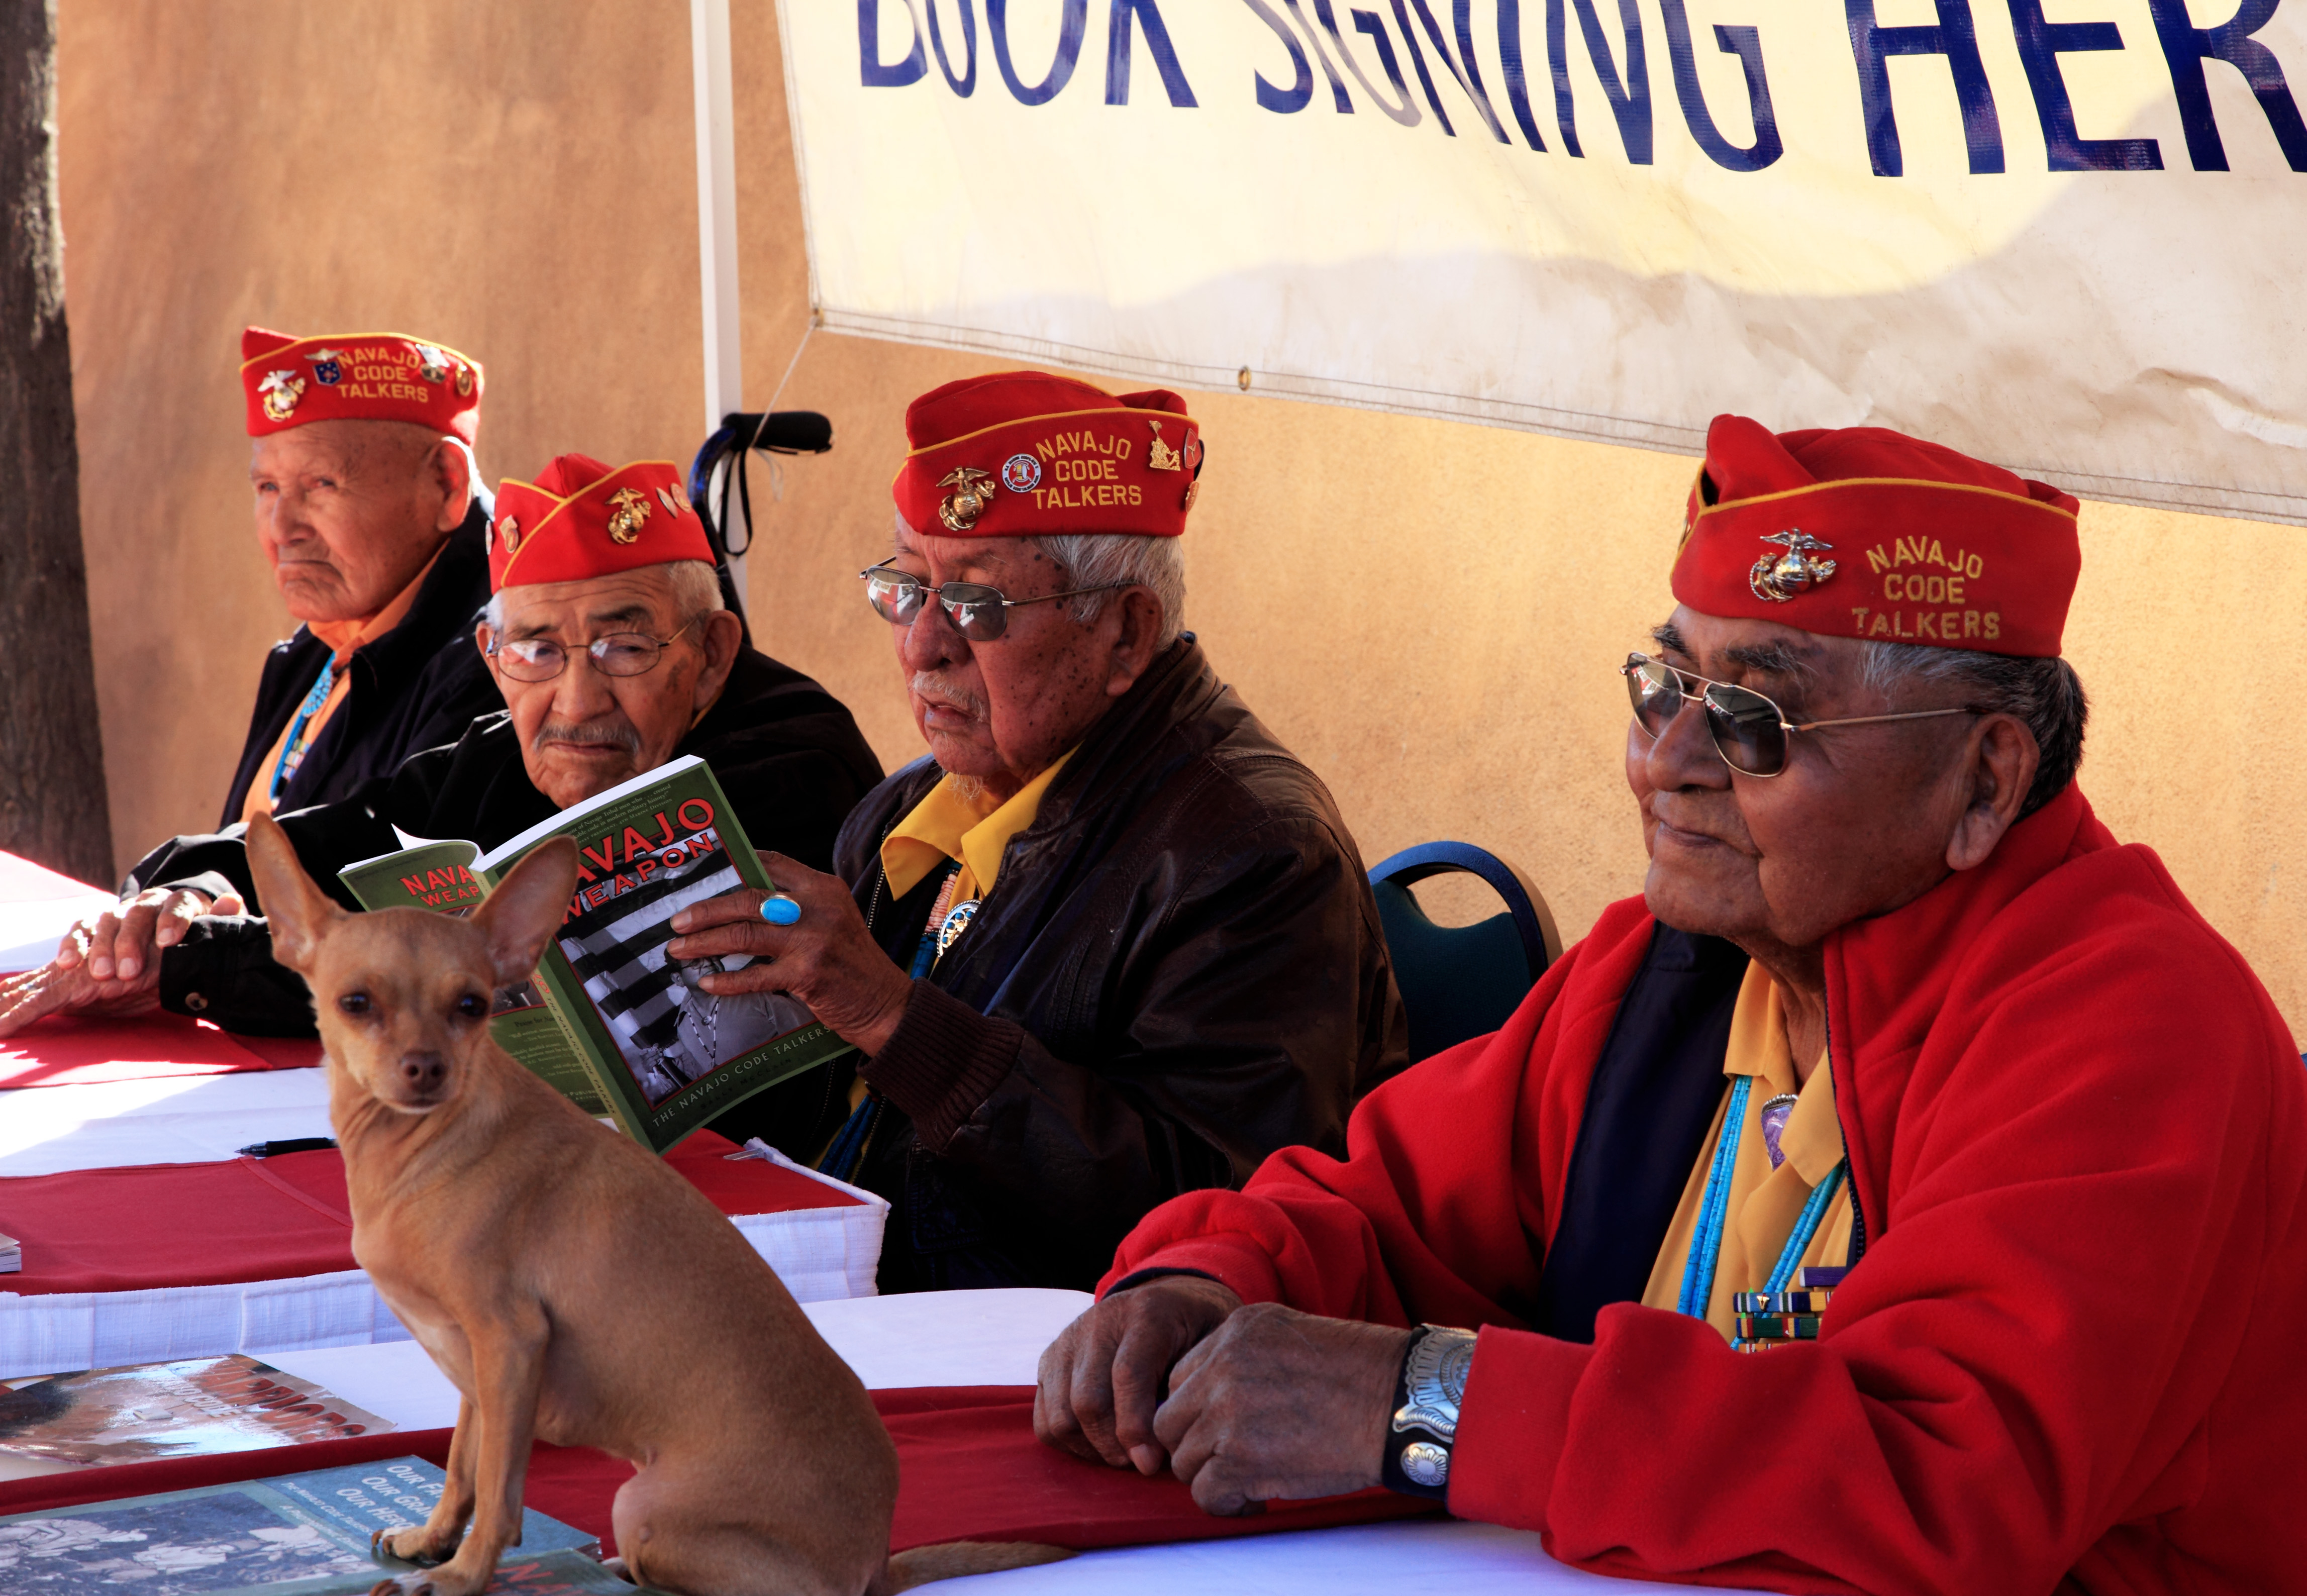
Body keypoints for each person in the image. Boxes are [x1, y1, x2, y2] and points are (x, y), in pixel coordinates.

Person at [1033, 416, 2307, 1596]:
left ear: (1985, 784)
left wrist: (1425, 1404)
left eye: (1754, 718)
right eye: (1664, 686)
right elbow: (1377, 1211)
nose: (1665, 764)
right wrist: (1200, 1281)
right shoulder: (1672, 967)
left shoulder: (2129, 1022)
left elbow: (1946, 1485)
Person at [670, 370, 1409, 1293]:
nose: (920, 646)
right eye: (907, 587)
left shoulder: (1251, 853)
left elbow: (1223, 1221)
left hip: (1056, 1369)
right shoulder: (905, 814)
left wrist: (898, 1020)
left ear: (1126, 635)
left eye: (976, 606)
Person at [0, 454, 882, 1040]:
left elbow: (510, 984)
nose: (576, 700)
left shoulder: (789, 764)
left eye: (625, 646)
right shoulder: (501, 750)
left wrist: (189, 967)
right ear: (493, 659)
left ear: (713, 651)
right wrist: (180, 902)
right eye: (537, 650)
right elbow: (309, 844)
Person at [226, 326, 508, 826]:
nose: (282, 528)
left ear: (446, 484)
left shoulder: (503, 655)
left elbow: (379, 862)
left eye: (320, 484)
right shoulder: (315, 647)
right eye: (267, 486)